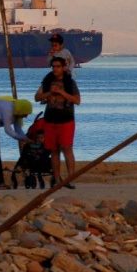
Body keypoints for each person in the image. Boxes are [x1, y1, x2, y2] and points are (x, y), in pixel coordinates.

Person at [35, 57, 81, 188]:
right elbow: (37, 97)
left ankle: (70, 178)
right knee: (54, 150)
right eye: (53, 66)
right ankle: (56, 179)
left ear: (63, 67)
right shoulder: (47, 81)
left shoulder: (70, 83)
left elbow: (77, 100)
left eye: (58, 66)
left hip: (66, 120)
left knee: (67, 149)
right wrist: (49, 92)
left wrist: (61, 92)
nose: (55, 69)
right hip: (50, 120)